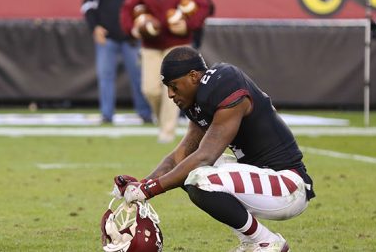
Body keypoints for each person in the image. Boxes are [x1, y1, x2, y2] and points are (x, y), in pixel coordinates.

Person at [113, 46, 316, 252]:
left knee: (200, 177)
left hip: (288, 185)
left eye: (174, 86)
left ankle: (266, 242)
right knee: (188, 170)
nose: (170, 94)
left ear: (193, 76)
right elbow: (180, 157)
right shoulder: (200, 102)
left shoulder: (223, 82)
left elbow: (205, 157)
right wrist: (140, 185)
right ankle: (252, 242)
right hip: (262, 180)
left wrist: (150, 191)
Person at [120, 0, 210, 143]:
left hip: (177, 46)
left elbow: (203, 6)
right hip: (151, 45)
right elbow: (127, 7)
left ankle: (167, 131)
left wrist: (189, 24)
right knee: (150, 89)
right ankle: (161, 119)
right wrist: (132, 28)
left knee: (173, 89)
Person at [81, 0, 153, 125]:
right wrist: (95, 27)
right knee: (106, 76)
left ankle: (144, 113)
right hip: (107, 38)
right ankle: (107, 114)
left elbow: (148, 4)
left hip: (131, 38)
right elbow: (88, 4)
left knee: (138, 76)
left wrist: (141, 27)